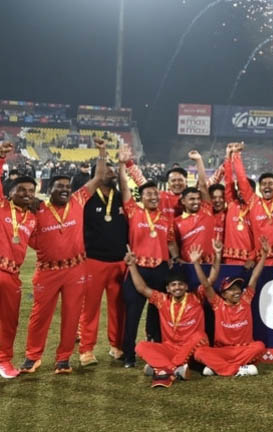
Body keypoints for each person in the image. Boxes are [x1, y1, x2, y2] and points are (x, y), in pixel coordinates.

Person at [20, 138, 107, 375]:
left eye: (67, 187)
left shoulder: (78, 200)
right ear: (50, 190)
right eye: (59, 187)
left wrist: (101, 151)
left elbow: (98, 178)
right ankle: (32, 357)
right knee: (40, 316)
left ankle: (63, 359)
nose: (65, 190)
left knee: (71, 315)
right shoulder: (38, 210)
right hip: (47, 271)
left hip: (75, 269)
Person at [0, 141, 38, 393]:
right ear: (10, 192)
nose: (26, 193)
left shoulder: (33, 218)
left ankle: (2, 359)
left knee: (10, 323)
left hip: (12, 276)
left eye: (31, 190)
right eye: (21, 189)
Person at [118, 153, 173, 369]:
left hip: (159, 270)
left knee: (157, 315)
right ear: (141, 196)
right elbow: (124, 187)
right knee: (133, 314)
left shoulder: (165, 219)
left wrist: (175, 258)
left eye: (155, 194)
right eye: (148, 194)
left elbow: (170, 243)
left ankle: (155, 350)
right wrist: (124, 165)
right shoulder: (133, 211)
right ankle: (129, 355)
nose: (153, 197)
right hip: (137, 269)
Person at [124, 247, 207, 388]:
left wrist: (197, 263)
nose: (177, 288)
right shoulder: (162, 300)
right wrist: (132, 265)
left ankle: (162, 368)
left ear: (186, 286)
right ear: (168, 289)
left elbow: (207, 283)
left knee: (199, 336)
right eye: (173, 285)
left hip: (191, 349)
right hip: (170, 349)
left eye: (180, 284)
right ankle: (175, 369)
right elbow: (142, 288)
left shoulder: (196, 297)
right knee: (141, 346)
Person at [78, 154, 130, 366]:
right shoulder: (86, 199)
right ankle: (86, 350)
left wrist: (122, 164)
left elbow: (124, 182)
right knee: (90, 308)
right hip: (94, 261)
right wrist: (102, 154)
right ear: (97, 176)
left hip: (119, 261)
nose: (113, 173)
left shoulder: (121, 197)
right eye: (108, 170)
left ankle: (116, 345)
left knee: (119, 307)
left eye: (113, 170)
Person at [193, 239, 267, 377]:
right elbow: (206, 285)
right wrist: (196, 263)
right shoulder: (217, 304)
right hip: (223, 351)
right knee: (199, 353)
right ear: (224, 294)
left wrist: (264, 256)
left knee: (259, 346)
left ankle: (218, 367)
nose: (237, 291)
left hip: (243, 349)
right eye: (231, 289)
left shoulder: (245, 300)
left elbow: (255, 277)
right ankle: (238, 369)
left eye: (238, 288)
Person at [169, 151, 214, 265]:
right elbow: (171, 241)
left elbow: (203, 186)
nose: (197, 202)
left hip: (209, 264)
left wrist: (199, 160)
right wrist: (176, 258)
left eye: (198, 199)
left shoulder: (206, 210)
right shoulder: (176, 221)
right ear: (183, 201)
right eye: (192, 199)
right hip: (187, 265)